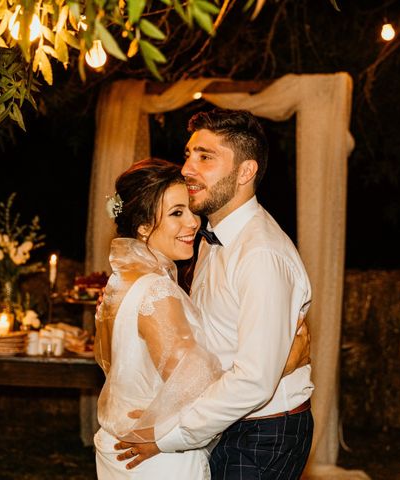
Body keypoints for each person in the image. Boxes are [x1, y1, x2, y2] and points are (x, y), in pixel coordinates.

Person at [115, 109, 314, 479]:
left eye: (205, 157)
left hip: (260, 433)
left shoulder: (261, 255)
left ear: (245, 172)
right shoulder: (209, 235)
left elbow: (254, 381)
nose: (188, 168)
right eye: (189, 153)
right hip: (223, 423)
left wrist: (167, 436)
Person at [94, 157, 223, 479]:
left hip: (119, 446)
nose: (193, 223)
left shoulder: (120, 282)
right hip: (159, 460)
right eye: (176, 213)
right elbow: (196, 383)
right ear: (142, 225)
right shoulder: (156, 291)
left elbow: (110, 362)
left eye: (192, 210)